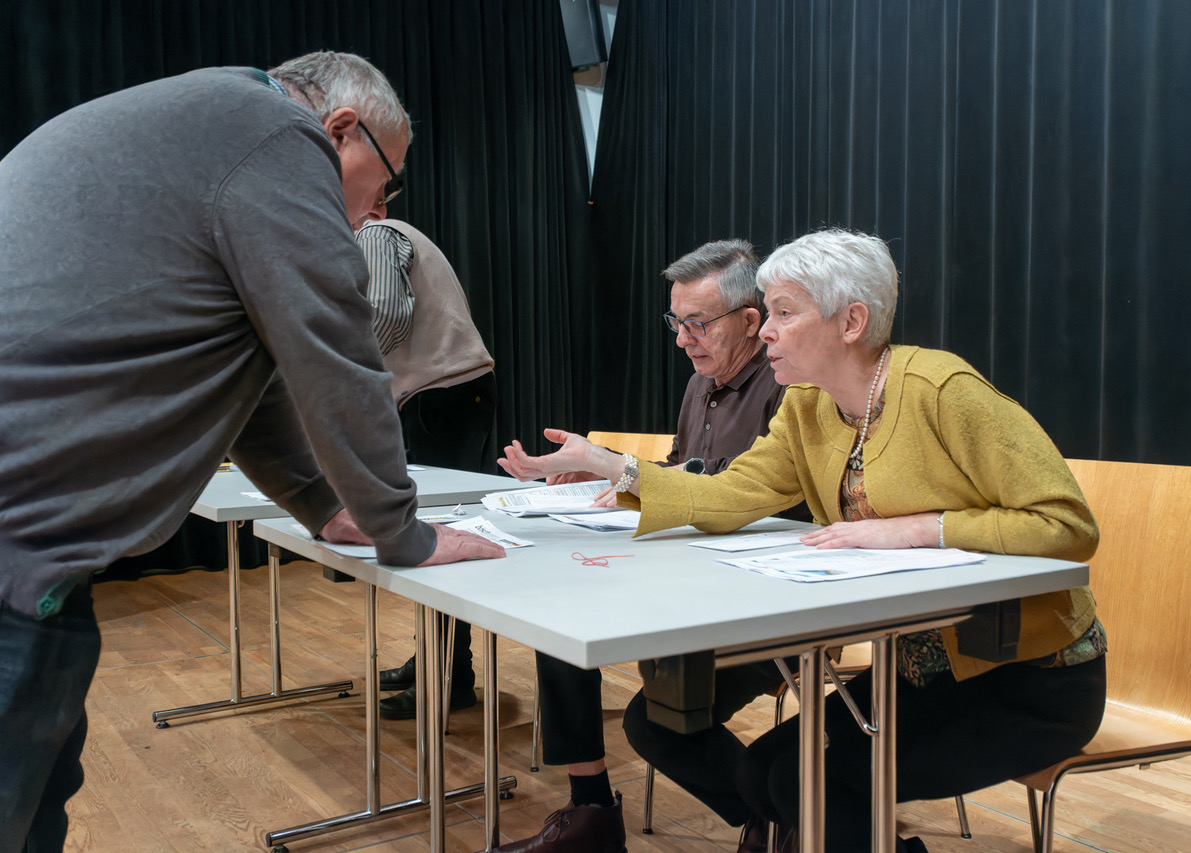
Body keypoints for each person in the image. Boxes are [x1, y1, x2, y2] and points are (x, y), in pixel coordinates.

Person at [0, 51, 504, 853]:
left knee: (37, 804)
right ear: (341, 130)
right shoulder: (279, 137)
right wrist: (401, 529)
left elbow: (252, 371)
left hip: (30, 537)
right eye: (384, 181)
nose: (376, 210)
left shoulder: (211, 123)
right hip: (18, 542)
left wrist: (325, 504)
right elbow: (336, 346)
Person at [498, 228, 1107, 853]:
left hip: (1030, 680)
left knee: (807, 782)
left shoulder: (942, 392)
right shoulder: (807, 406)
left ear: (851, 322)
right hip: (920, 671)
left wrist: (919, 529)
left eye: (784, 314)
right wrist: (610, 465)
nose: (765, 331)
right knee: (763, 775)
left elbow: (1067, 524)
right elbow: (731, 494)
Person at [493, 239, 792, 853]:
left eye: (698, 323)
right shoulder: (699, 385)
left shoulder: (787, 385)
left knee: (654, 723)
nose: (683, 339)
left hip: (759, 595)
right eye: (675, 322)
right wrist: (608, 476)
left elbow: (746, 492)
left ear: (751, 321)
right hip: (686, 580)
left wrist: (620, 468)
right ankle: (591, 808)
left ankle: (788, 819)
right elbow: (681, 477)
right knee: (558, 612)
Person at [357, 219, 497, 718]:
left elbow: (386, 315)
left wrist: (336, 370)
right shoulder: (388, 234)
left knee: (440, 538)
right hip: (445, 395)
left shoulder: (373, 234)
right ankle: (437, 661)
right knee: (435, 535)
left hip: (440, 396)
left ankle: (451, 676)